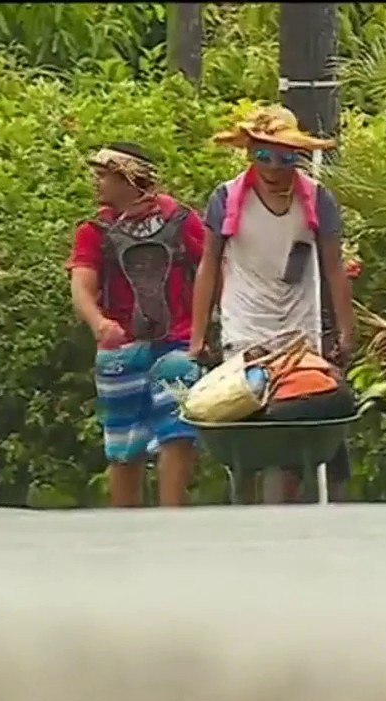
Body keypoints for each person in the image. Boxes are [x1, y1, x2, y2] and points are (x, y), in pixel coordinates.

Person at [188, 106, 357, 504]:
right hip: (245, 323)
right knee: (243, 423)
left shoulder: (317, 199)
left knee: (294, 422)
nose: (273, 167)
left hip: (300, 327)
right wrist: (198, 335)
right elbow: (209, 265)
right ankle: (244, 510)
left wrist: (346, 332)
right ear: (250, 156)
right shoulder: (227, 198)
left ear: (296, 159)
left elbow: (333, 267)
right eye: (262, 155)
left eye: (283, 157)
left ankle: (291, 510)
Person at [66, 143, 206, 508]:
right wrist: (99, 323)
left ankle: (170, 516)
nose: (96, 183)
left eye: (104, 176)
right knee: (123, 444)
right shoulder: (94, 229)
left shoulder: (181, 219)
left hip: (179, 341)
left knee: (178, 431)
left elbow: (211, 269)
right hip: (120, 347)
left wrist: (205, 325)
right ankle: (125, 523)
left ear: (130, 177)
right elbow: (82, 285)